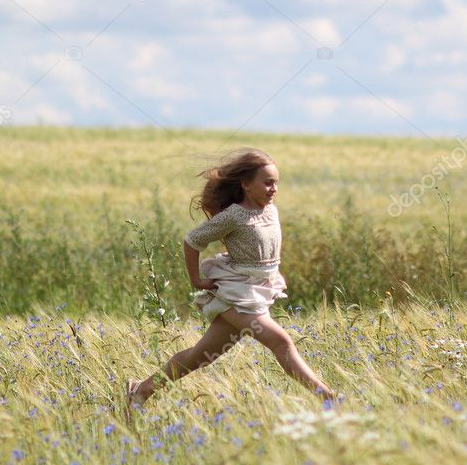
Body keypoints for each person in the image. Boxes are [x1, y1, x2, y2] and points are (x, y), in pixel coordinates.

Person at [125, 148, 337, 420]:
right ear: (246, 185)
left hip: (258, 290)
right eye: (267, 182)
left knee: (200, 357)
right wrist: (196, 280)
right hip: (237, 292)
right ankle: (326, 397)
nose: (274, 189)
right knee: (281, 341)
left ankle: (140, 391)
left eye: (276, 183)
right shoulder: (234, 216)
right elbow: (192, 241)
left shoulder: (271, 211)